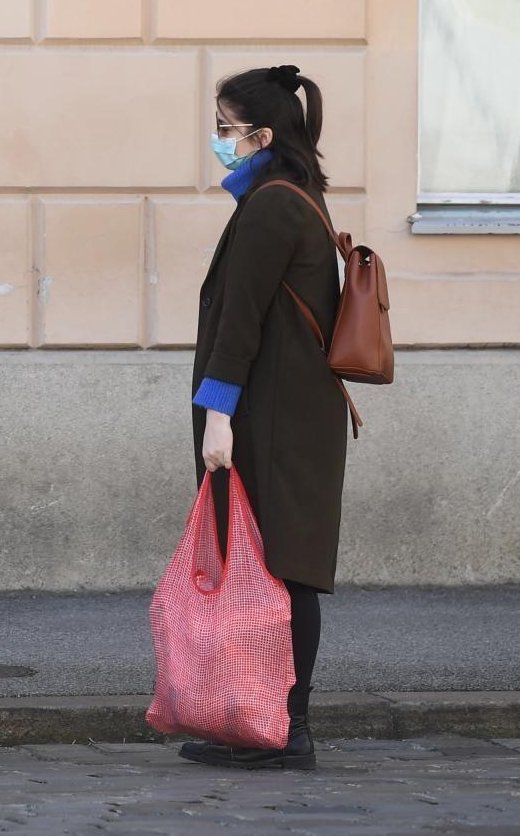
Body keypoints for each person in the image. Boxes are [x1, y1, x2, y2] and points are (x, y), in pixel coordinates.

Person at [181, 65, 347, 771]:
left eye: (226, 129)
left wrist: (219, 417)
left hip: (271, 419)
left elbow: (241, 321)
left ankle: (285, 729)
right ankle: (262, 719)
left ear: (263, 135)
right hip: (288, 412)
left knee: (280, 568)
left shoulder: (273, 205)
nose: (218, 141)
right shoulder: (288, 195)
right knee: (276, 567)